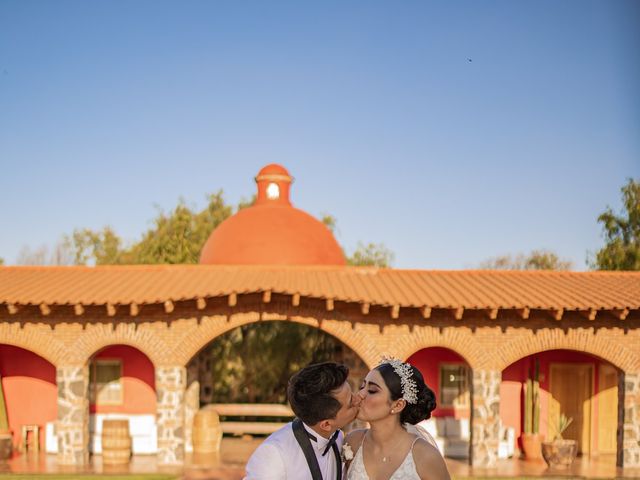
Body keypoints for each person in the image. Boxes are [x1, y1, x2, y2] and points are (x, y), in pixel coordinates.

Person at [245, 362, 361, 480]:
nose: (358, 399)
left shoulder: (340, 438)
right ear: (326, 424)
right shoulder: (274, 454)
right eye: (351, 401)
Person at [344, 359, 451, 480]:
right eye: (362, 386)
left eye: (372, 391)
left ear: (398, 405)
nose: (360, 394)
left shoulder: (425, 455)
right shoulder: (352, 442)